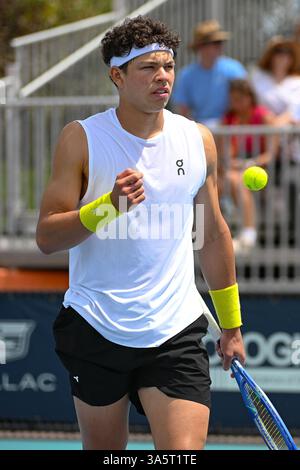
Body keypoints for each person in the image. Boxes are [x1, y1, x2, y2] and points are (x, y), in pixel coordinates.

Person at [36, 16, 245, 450]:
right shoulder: (81, 138)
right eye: (149, 67)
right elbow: (47, 237)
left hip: (175, 330)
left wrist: (232, 324)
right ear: (117, 75)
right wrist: (106, 208)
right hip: (95, 323)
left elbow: (212, 235)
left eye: (168, 66)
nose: (163, 76)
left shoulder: (198, 140)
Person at [221, 79, 276, 253]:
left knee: (238, 181)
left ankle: (248, 235)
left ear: (249, 98)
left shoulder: (264, 116)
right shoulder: (229, 119)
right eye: (232, 99)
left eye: (239, 98)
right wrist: (234, 163)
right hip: (234, 170)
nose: (235, 103)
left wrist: (248, 164)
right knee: (222, 182)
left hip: (264, 168)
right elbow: (227, 154)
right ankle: (221, 238)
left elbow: (270, 155)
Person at [172, 19, 247, 126]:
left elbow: (245, 104)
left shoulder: (235, 70)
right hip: (200, 131)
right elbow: (182, 110)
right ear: (200, 47)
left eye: (220, 42)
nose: (220, 46)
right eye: (215, 42)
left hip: (231, 130)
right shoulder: (186, 76)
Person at [251, 36, 300, 125]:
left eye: (288, 52)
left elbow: (294, 110)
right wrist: (267, 118)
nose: (283, 56)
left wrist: (277, 123)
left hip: (289, 134)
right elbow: (253, 104)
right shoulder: (259, 77)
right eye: (278, 51)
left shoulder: (297, 82)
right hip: (261, 133)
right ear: (270, 56)